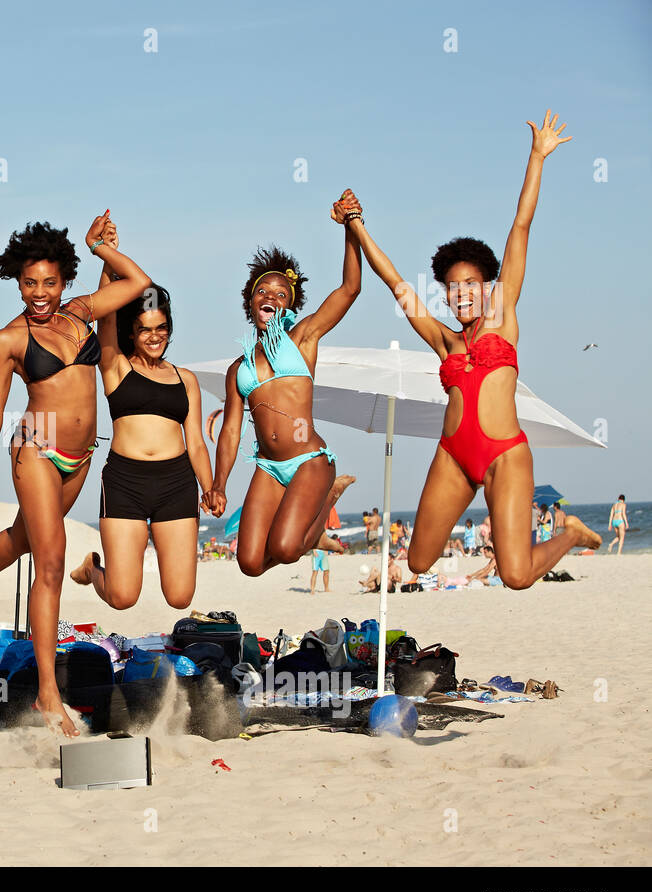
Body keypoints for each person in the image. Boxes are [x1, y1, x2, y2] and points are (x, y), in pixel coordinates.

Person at [342, 112, 603, 589]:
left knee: (518, 575)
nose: (460, 293)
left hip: (505, 455)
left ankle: (569, 534)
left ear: (486, 287)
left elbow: (520, 226)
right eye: (452, 286)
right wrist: (355, 227)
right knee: (418, 562)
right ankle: (552, 536)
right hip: (454, 457)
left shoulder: (503, 316)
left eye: (470, 284)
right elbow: (394, 281)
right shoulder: (444, 340)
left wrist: (537, 156)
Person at [0, 213, 152, 737]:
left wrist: (101, 249)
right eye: (29, 283)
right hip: (35, 450)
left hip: (79, 458)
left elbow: (138, 285)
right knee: (51, 562)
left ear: (65, 280)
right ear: (16, 281)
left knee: (22, 538)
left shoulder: (81, 313)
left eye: (50, 282)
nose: (40, 293)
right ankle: (46, 692)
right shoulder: (10, 339)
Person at [209, 197, 360, 577]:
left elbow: (350, 288)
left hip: (309, 461)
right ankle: (311, 534)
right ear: (250, 301)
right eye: (263, 292)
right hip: (268, 466)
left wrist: (349, 228)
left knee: (286, 549)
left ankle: (329, 496)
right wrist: (218, 484)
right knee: (250, 564)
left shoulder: (303, 339)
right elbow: (230, 430)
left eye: (280, 294)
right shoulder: (237, 369)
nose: (271, 298)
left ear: (289, 304)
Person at [69, 229, 214, 609]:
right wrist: (104, 254)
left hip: (177, 484)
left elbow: (196, 440)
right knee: (122, 597)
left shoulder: (187, 379)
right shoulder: (115, 366)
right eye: (145, 329)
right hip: (125, 483)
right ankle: (92, 569)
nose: (154, 336)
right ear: (131, 332)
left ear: (170, 330)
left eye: (161, 328)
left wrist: (211, 486)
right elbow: (104, 312)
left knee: (180, 597)